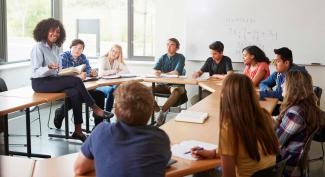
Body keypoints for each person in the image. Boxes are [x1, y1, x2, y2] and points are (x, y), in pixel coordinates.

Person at [30, 18, 113, 142]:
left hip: (53, 78)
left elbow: (58, 70)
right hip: (40, 82)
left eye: (58, 32)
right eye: (52, 31)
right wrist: (48, 67)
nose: (55, 34)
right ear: (45, 31)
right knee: (76, 81)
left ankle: (78, 131)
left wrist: (62, 71)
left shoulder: (56, 48)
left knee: (74, 92)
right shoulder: (38, 47)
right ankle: (95, 108)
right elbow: (35, 71)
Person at [74, 81, 171, 177]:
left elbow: (79, 168)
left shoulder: (100, 132)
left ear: (116, 110)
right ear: (150, 111)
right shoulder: (160, 138)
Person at [191, 74, 279, 177]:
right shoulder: (265, 115)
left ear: (225, 95)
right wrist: (213, 153)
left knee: (200, 171)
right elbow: (242, 149)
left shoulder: (229, 128)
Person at [54, 39, 110, 128]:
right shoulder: (63, 56)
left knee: (100, 95)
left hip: (81, 87)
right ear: (70, 47)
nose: (77, 50)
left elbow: (88, 70)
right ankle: (61, 112)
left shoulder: (83, 57)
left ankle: (98, 126)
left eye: (80, 48)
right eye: (75, 47)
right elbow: (62, 73)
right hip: (66, 86)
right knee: (77, 94)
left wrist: (91, 73)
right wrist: (77, 77)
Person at [276, 71, 322, 177]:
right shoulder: (307, 106)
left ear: (293, 87)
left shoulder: (295, 112)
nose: (282, 85)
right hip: (295, 162)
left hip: (286, 165)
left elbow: (275, 142)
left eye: (284, 82)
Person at [259, 47, 307, 116]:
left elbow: (286, 95)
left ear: (286, 63)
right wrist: (266, 89)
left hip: (293, 110)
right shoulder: (279, 72)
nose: (275, 64)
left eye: (278, 61)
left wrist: (264, 93)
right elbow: (263, 83)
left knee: (261, 113)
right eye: (275, 61)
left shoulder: (296, 75)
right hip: (282, 105)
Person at [152, 38, 186, 126]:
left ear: (177, 47)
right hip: (162, 86)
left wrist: (162, 73)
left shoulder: (180, 57)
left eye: (172, 45)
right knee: (145, 90)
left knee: (176, 91)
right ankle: (157, 111)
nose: (169, 47)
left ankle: (162, 112)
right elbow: (154, 70)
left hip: (176, 86)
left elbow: (177, 72)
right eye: (167, 44)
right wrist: (155, 72)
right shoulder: (163, 57)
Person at [96, 44, 129, 113]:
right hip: (100, 85)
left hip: (111, 84)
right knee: (112, 90)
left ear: (119, 54)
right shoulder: (103, 59)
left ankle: (121, 112)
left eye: (117, 52)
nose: (114, 53)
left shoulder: (117, 61)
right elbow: (101, 73)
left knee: (118, 87)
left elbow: (127, 71)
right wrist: (115, 71)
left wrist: (117, 69)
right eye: (113, 51)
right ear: (110, 50)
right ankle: (107, 114)